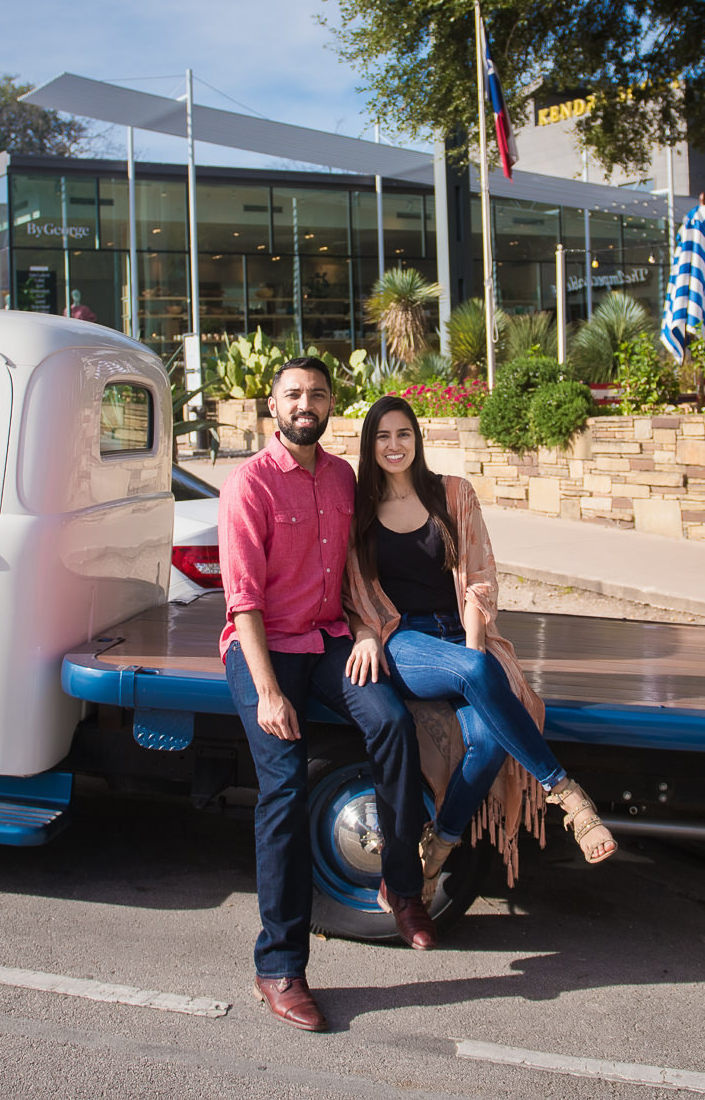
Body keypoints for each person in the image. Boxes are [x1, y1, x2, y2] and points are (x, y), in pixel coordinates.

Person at [218, 357, 433, 1035]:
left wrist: (369, 629)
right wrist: (268, 692)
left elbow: (360, 569)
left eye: (315, 393)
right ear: (272, 406)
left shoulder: (344, 477)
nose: (304, 403)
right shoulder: (246, 485)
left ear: (331, 402)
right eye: (292, 394)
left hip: (328, 636)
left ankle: (400, 883)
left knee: (394, 723)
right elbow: (243, 602)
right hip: (263, 646)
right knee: (283, 791)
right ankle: (278, 966)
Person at [342, 393, 617, 886]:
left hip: (462, 632)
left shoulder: (452, 493)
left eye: (403, 433)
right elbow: (354, 595)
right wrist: (365, 634)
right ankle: (566, 793)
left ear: (417, 439)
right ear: (370, 444)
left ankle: (440, 842)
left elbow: (480, 577)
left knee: (489, 741)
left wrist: (474, 646)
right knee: (475, 672)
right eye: (383, 436)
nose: (394, 445)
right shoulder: (360, 513)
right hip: (404, 640)